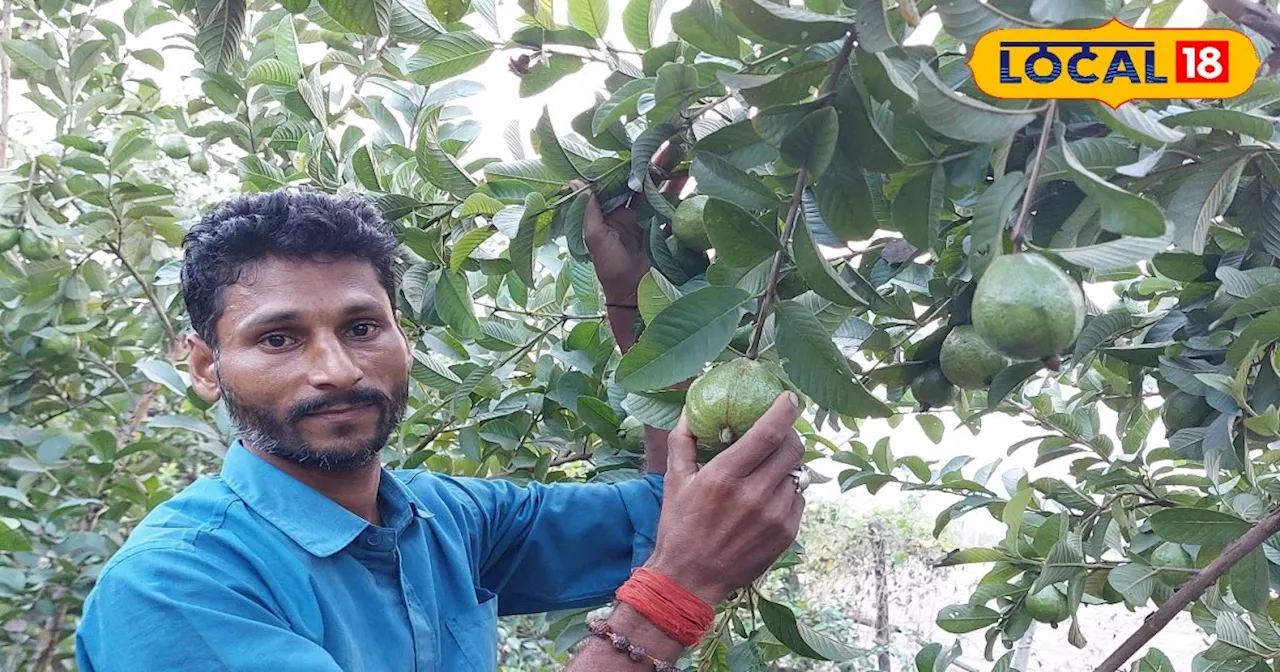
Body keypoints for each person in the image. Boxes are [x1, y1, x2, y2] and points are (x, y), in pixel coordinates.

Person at [73, 181, 807, 671]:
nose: (334, 369)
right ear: (205, 367)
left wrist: (636, 301)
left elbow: (676, 512)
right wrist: (669, 599)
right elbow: (682, 555)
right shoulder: (175, 585)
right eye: (278, 338)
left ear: (405, 337)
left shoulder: (447, 520)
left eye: (362, 326)